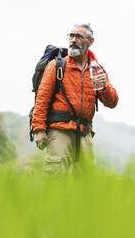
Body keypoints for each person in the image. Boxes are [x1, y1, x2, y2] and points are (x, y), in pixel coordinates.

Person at [32, 23, 119, 175]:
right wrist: (39, 130)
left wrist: (103, 85)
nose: (73, 40)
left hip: (85, 133)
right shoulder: (57, 66)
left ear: (91, 41)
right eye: (71, 36)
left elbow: (112, 103)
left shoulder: (96, 70)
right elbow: (42, 99)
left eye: (78, 36)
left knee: (86, 187)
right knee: (55, 181)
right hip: (59, 132)